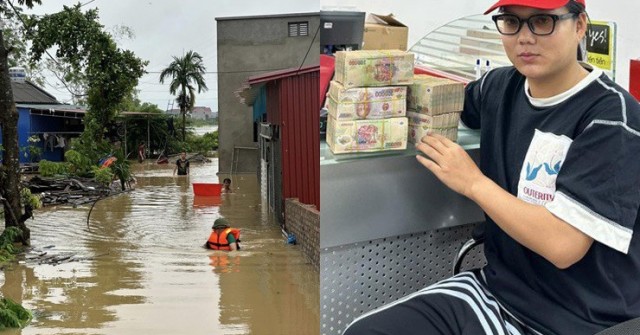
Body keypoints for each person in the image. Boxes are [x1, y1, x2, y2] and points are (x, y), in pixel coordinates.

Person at [344, 1, 640, 334]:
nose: (525, 37)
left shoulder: (613, 119)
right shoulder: (499, 87)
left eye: (543, 21)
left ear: (580, 25)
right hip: (496, 293)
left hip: (578, 319)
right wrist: (357, 97)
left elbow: (563, 246)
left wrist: (473, 182)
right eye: (511, 22)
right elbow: (446, 102)